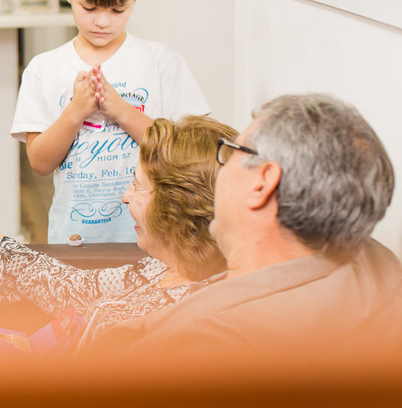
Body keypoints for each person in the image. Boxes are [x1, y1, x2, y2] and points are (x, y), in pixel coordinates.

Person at [111, 94, 402, 359]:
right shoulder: (379, 266)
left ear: (262, 183)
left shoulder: (204, 350)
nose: (221, 167)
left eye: (231, 152)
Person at [0, 116, 236, 351]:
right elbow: (74, 287)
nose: (125, 197)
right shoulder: (160, 267)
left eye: (136, 185)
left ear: (173, 206)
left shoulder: (184, 319)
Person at [11, 0, 209, 244]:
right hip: (72, 242)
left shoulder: (161, 63)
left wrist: (121, 110)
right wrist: (75, 113)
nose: (102, 21)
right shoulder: (43, 69)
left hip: (154, 243)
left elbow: (185, 152)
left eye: (118, 9)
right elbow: (40, 162)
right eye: (88, 7)